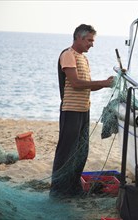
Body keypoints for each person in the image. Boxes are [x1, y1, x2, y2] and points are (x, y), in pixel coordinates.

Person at [50, 24, 114, 198]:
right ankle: (59, 190)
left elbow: (87, 87)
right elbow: (77, 84)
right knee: (66, 151)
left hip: (83, 110)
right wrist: (103, 83)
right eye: (89, 40)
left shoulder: (83, 58)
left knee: (81, 151)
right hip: (70, 111)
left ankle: (73, 186)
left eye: (93, 40)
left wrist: (106, 83)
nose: (92, 44)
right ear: (79, 37)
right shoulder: (68, 55)